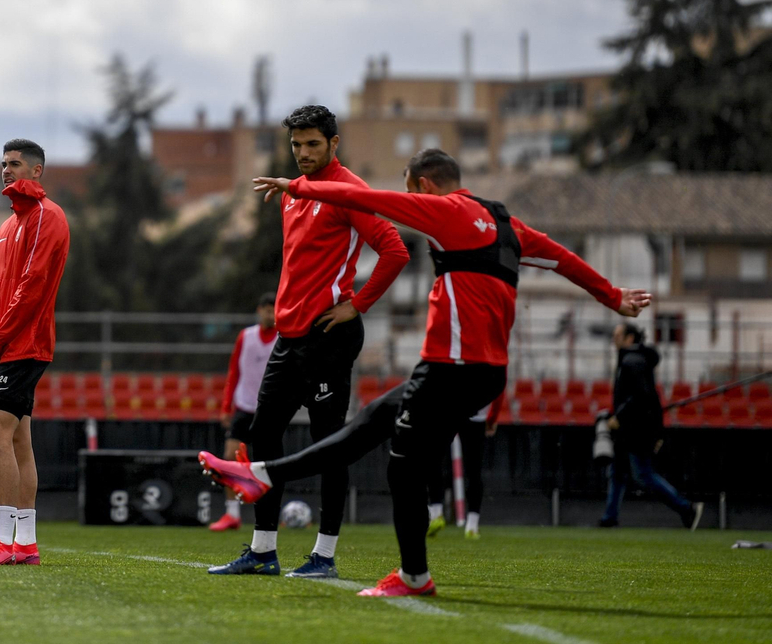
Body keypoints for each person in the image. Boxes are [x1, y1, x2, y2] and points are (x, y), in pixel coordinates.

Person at [202, 148, 653, 598]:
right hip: (482, 373)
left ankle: (270, 480)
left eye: (409, 188)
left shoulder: (446, 211)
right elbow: (560, 258)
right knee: (381, 434)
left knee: (372, 442)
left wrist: (297, 186)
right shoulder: (505, 224)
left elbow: (369, 201)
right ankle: (395, 563)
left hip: (452, 368)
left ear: (426, 186)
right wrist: (612, 296)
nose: (408, 197)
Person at [210, 106, 409, 581]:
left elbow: (395, 250)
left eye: (312, 144)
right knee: (262, 436)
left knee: (328, 445)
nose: (302, 153)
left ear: (334, 144)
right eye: (296, 145)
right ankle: (262, 551)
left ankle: (323, 555)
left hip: (329, 338)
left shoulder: (349, 192)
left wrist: (356, 305)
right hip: (290, 337)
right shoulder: (291, 194)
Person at [0, 139, 70, 567]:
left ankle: (3, 541)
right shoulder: (9, 225)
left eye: (15, 164)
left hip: (26, 343)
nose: (6, 171)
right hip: (8, 344)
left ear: (37, 171)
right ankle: (25, 544)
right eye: (3, 164)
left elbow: (30, 290)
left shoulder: (48, 217)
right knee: (19, 441)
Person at [599, 322, 703, 530]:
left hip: (635, 428)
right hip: (629, 427)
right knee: (618, 472)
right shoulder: (632, 360)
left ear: (630, 339)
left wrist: (619, 415)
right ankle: (609, 518)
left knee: (643, 475)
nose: (614, 338)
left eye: (618, 334)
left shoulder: (633, 361)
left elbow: (641, 396)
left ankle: (686, 508)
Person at [209, 294, 278, 531]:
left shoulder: (283, 338)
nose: (270, 315)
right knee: (229, 457)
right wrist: (227, 406)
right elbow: (234, 371)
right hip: (244, 405)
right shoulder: (246, 337)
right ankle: (232, 514)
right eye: (267, 310)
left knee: (267, 461)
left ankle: (269, 513)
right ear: (259, 311)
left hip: (268, 408)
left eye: (274, 310)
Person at [425, 390, 502, 539]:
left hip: (450, 412)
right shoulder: (489, 367)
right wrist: (492, 418)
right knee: (474, 470)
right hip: (475, 415)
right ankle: (472, 525)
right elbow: (499, 386)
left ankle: (436, 513)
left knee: (435, 460)